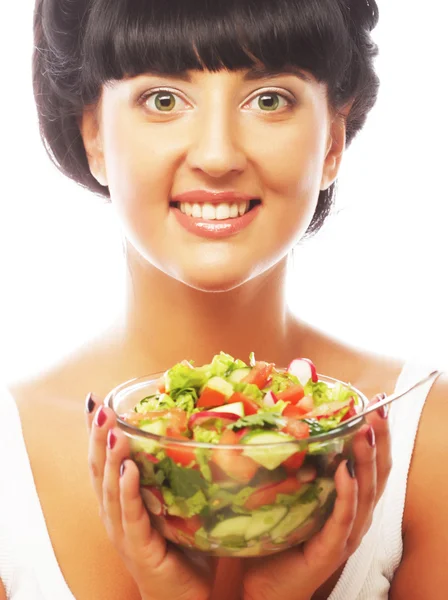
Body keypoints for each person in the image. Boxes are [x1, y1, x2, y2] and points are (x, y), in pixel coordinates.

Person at [0, 0, 446, 598]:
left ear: (334, 139)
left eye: (269, 99)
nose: (217, 156)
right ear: (94, 134)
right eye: (163, 99)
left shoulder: (428, 446)